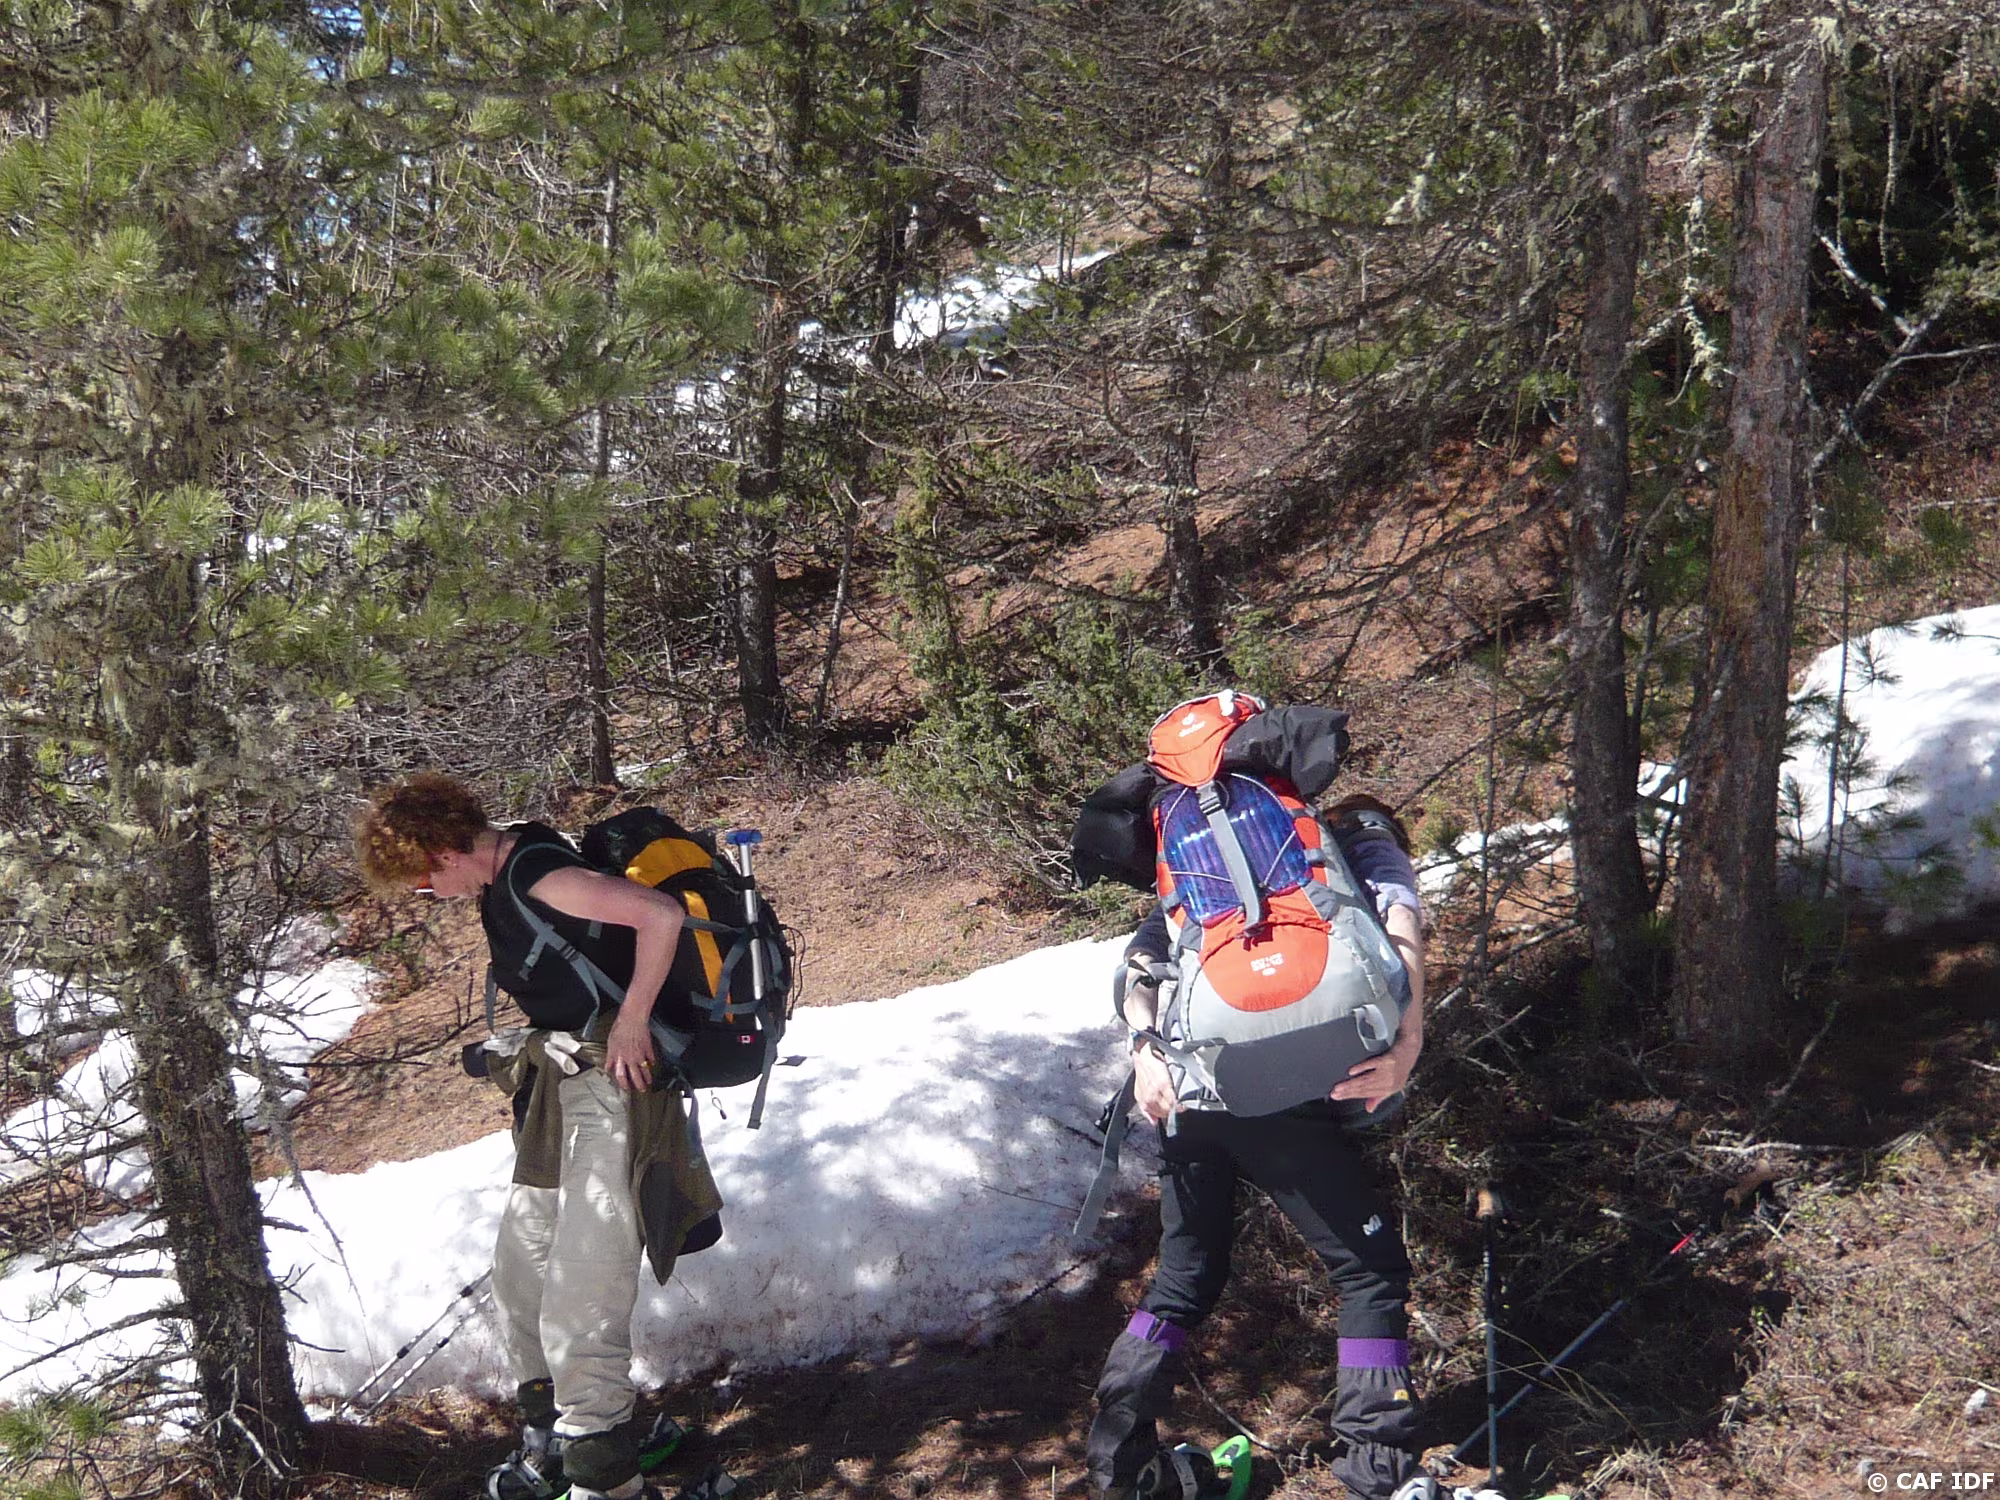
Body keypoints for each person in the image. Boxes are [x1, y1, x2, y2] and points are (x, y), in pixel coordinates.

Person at [355, 773, 723, 1500]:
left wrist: (632, 1021)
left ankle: (604, 1475)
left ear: (444, 852)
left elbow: (658, 914)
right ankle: (553, 1440)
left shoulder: (537, 873)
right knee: (521, 1277)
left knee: (581, 1294)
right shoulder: (506, 875)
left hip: (615, 1088)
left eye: (424, 881)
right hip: (562, 1088)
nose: (428, 893)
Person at [1085, 793, 1431, 1500]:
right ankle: (1377, 1468)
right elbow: (1399, 924)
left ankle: (1122, 1467)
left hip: (1186, 1090)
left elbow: (1140, 962)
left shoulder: (1211, 876)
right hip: (1275, 1098)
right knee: (1368, 1272)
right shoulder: (1361, 852)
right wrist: (1409, 1039)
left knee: (1185, 1278)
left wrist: (1145, 1050)